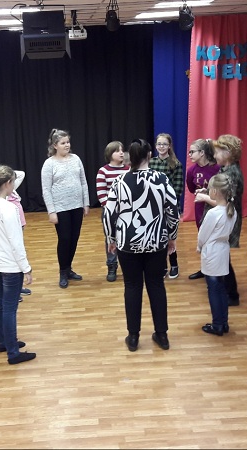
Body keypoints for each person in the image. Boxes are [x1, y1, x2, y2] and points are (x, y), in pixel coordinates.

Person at [103, 139, 180, 352]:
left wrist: (111, 238)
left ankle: (133, 337)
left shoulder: (119, 181)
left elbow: (109, 213)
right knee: (156, 285)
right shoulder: (161, 179)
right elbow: (173, 210)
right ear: (148, 155)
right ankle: (162, 335)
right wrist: (172, 236)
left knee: (132, 286)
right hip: (156, 242)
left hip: (127, 243)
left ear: (131, 157)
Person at [0, 165, 36, 365]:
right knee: (10, 308)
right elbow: (16, 242)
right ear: (8, 184)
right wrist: (26, 268)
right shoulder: (9, 208)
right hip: (10, 265)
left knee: (0, 304)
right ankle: (13, 353)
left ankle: (4, 342)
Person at [194, 134, 244, 306]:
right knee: (222, 255)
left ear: (227, 153)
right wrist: (207, 191)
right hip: (221, 217)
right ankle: (214, 276)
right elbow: (221, 192)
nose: (214, 156)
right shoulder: (225, 169)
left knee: (223, 257)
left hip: (225, 219)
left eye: (216, 152)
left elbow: (226, 202)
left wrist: (204, 198)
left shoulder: (232, 174)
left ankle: (232, 294)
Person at [41, 128, 90, 288]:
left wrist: (86, 203)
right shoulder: (49, 164)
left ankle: (69, 269)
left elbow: (83, 182)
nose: (67, 145)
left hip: (77, 205)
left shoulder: (76, 159)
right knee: (65, 239)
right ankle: (63, 271)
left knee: (74, 238)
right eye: (63, 143)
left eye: (68, 142)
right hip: (60, 207)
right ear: (55, 145)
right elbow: (46, 189)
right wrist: (51, 211)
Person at [196, 173, 238, 336]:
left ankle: (217, 324)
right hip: (223, 250)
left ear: (214, 191)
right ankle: (223, 322)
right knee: (221, 289)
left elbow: (203, 235)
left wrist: (199, 247)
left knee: (213, 289)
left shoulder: (213, 213)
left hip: (212, 252)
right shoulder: (231, 210)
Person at [149, 133, 184, 279]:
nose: (161, 146)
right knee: (158, 237)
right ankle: (162, 266)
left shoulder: (176, 164)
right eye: (159, 144)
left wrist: (165, 202)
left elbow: (178, 189)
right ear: (155, 146)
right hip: (153, 208)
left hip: (169, 208)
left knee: (170, 236)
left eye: (164, 144)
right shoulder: (151, 163)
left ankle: (174, 265)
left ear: (169, 146)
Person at [185, 138, 220, 280]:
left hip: (216, 207)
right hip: (200, 208)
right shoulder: (191, 171)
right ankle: (205, 269)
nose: (190, 155)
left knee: (216, 240)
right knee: (204, 238)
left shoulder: (217, 168)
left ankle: (217, 271)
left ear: (202, 153)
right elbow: (191, 188)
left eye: (192, 152)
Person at [95, 141, 129, 282]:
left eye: (122, 150)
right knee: (111, 238)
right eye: (117, 151)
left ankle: (127, 266)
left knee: (127, 237)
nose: (121, 153)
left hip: (127, 212)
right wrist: (111, 208)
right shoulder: (103, 171)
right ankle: (112, 265)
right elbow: (101, 194)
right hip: (110, 212)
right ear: (110, 154)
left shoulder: (128, 169)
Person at [7, 170, 31, 299]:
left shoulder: (11, 189)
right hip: (13, 226)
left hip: (19, 224)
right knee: (13, 255)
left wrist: (5, 173)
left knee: (17, 254)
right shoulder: (3, 195)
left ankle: (18, 288)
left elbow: (21, 173)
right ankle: (13, 291)